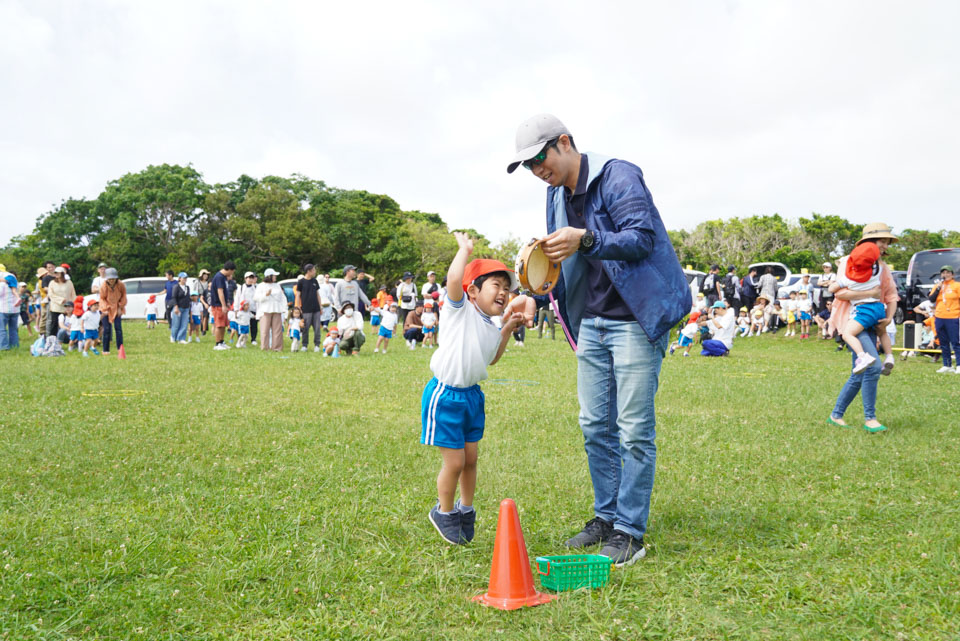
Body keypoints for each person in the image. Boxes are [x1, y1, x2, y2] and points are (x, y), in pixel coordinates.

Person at [507, 113, 689, 565]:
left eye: (538, 158)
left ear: (564, 142)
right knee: (595, 425)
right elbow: (558, 264)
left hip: (635, 318)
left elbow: (642, 238)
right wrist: (536, 296)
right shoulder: (554, 194)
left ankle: (630, 532)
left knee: (633, 430)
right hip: (591, 320)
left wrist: (586, 238)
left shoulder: (618, 174)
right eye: (527, 166)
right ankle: (606, 518)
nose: (536, 171)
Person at [420, 232, 534, 545]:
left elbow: (491, 358)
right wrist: (464, 250)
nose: (504, 292)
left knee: (471, 459)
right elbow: (454, 278)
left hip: (471, 396)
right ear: (473, 290)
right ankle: (443, 512)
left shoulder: (492, 323)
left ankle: (465, 509)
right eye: (496, 285)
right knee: (454, 462)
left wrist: (509, 328)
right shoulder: (460, 311)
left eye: (507, 288)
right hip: (446, 396)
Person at [827, 222, 899, 433]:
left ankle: (836, 415)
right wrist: (869, 295)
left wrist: (888, 318)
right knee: (873, 367)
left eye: (887, 241)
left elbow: (892, 295)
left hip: (876, 319)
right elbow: (840, 293)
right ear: (870, 243)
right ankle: (870, 419)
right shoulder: (850, 262)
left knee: (859, 373)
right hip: (855, 319)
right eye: (882, 240)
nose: (886, 244)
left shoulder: (883, 267)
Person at [829, 242, 894, 374]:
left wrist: (835, 283)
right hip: (879, 308)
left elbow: (832, 289)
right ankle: (889, 357)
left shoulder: (849, 278)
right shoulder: (877, 272)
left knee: (848, 334)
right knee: (882, 332)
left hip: (864, 310)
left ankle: (862, 356)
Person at [928, 265, 960, 373]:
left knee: (955, 341)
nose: (945, 275)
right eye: (943, 273)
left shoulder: (956, 286)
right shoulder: (938, 286)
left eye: (948, 273)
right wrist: (938, 288)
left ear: (952, 275)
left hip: (953, 316)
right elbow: (931, 299)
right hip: (939, 317)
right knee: (943, 342)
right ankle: (947, 365)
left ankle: (959, 365)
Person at [294, 264, 324, 352]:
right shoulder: (301, 282)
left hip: (316, 309)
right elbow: (298, 295)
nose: (315, 272)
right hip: (305, 309)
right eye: (314, 270)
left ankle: (317, 345)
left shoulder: (315, 281)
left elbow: (318, 295)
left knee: (317, 328)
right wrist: (298, 307)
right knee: (305, 328)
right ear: (308, 271)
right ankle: (304, 345)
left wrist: (320, 307)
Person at [255, 268, 286, 352]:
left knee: (277, 330)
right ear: (269, 276)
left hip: (277, 309)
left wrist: (284, 308)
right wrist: (266, 295)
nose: (275, 277)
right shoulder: (261, 285)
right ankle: (265, 348)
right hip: (265, 310)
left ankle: (277, 348)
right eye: (274, 275)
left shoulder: (277, 285)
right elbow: (256, 298)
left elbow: (282, 297)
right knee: (265, 330)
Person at [98, 268, 126, 355]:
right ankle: (105, 350)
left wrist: (120, 307)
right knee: (106, 329)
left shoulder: (120, 284)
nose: (111, 281)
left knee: (118, 329)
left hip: (117, 308)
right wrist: (105, 309)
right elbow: (102, 298)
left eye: (113, 279)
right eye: (109, 279)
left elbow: (123, 296)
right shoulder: (103, 286)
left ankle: (120, 348)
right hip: (106, 308)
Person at [210, 261, 236, 351]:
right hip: (218, 304)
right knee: (219, 325)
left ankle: (221, 342)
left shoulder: (224, 278)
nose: (232, 273)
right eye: (232, 271)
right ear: (229, 270)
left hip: (223, 304)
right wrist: (223, 305)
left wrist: (227, 302)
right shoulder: (219, 277)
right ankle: (217, 344)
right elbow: (220, 292)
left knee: (224, 324)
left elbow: (225, 292)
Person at [45, 266, 76, 339]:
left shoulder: (69, 283)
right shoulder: (52, 283)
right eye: (55, 273)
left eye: (58, 273)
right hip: (56, 307)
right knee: (54, 324)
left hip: (67, 307)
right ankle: (51, 340)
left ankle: (67, 339)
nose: (56, 274)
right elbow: (50, 294)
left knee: (67, 324)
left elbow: (73, 294)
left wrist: (73, 304)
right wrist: (60, 300)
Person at [0, 269, 20, 351]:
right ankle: (14, 346)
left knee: (2, 329)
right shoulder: (14, 278)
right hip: (15, 309)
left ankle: (4, 347)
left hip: (3, 308)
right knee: (13, 329)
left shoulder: (2, 284)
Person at [169, 272, 191, 344]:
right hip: (178, 307)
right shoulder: (176, 287)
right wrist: (176, 307)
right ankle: (173, 337)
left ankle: (181, 338)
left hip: (186, 308)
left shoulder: (187, 287)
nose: (185, 279)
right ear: (179, 278)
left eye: (186, 278)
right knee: (176, 323)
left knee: (184, 324)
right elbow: (174, 297)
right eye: (183, 278)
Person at [237, 272, 259, 345]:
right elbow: (237, 298)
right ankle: (241, 339)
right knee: (243, 324)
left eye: (252, 278)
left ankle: (253, 339)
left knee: (254, 325)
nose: (250, 279)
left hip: (253, 309)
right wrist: (236, 309)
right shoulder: (241, 288)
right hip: (243, 309)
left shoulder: (255, 287)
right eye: (249, 278)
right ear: (245, 278)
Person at [197, 269, 211, 335]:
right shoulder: (197, 282)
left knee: (206, 316)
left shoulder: (208, 282)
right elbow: (195, 291)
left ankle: (205, 328)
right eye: (204, 274)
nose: (205, 276)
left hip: (207, 298)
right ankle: (202, 329)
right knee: (202, 315)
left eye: (206, 275)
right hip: (199, 299)